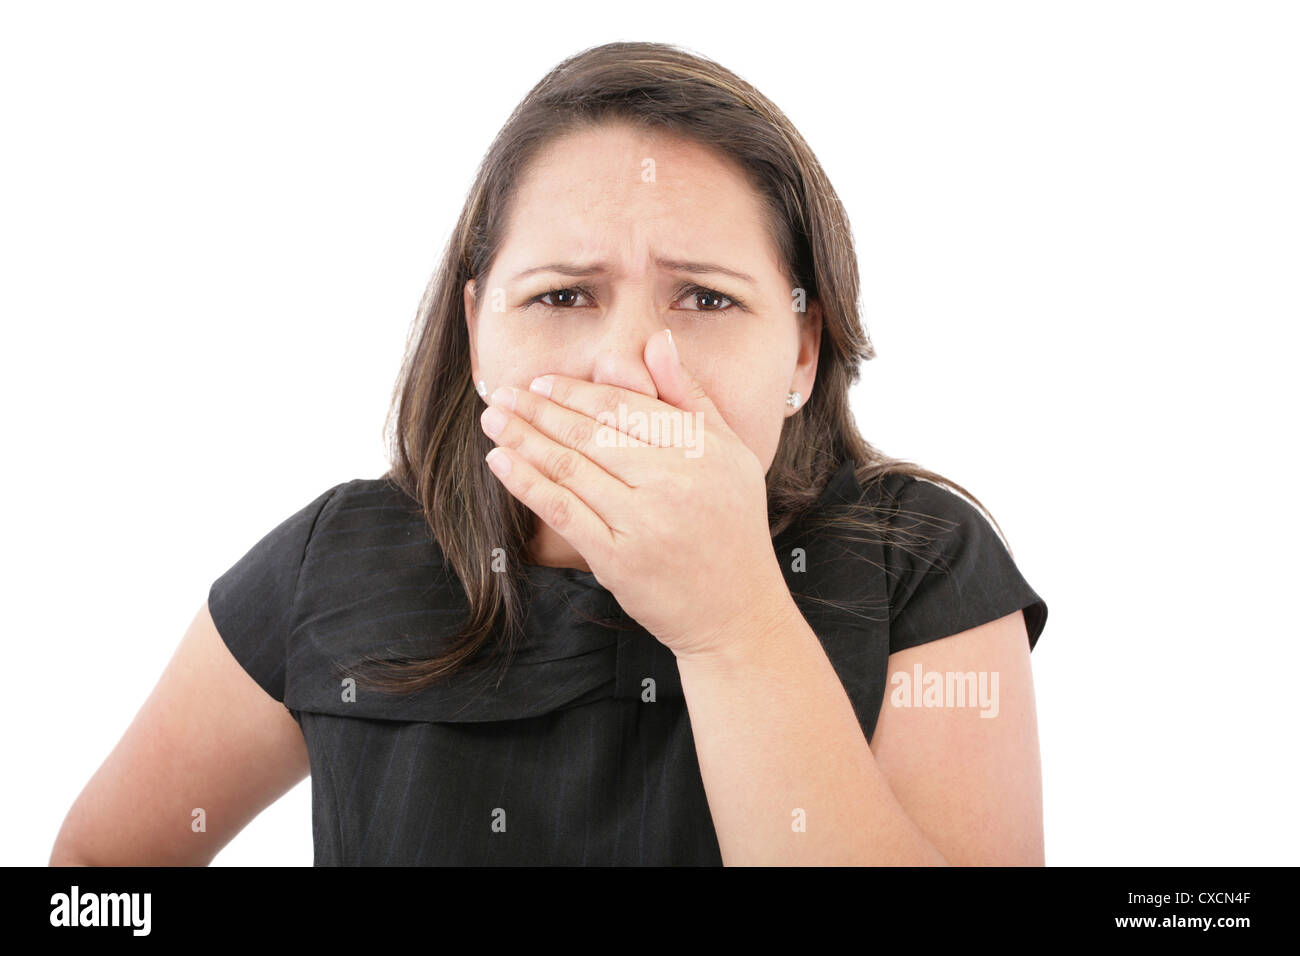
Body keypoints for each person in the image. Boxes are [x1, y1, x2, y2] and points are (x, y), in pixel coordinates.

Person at [49, 40, 1048, 867]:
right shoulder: (332, 563)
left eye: (704, 297)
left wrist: (734, 619)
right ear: (479, 331)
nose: (623, 365)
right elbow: (95, 876)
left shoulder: (918, 560)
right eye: (563, 295)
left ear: (799, 347)